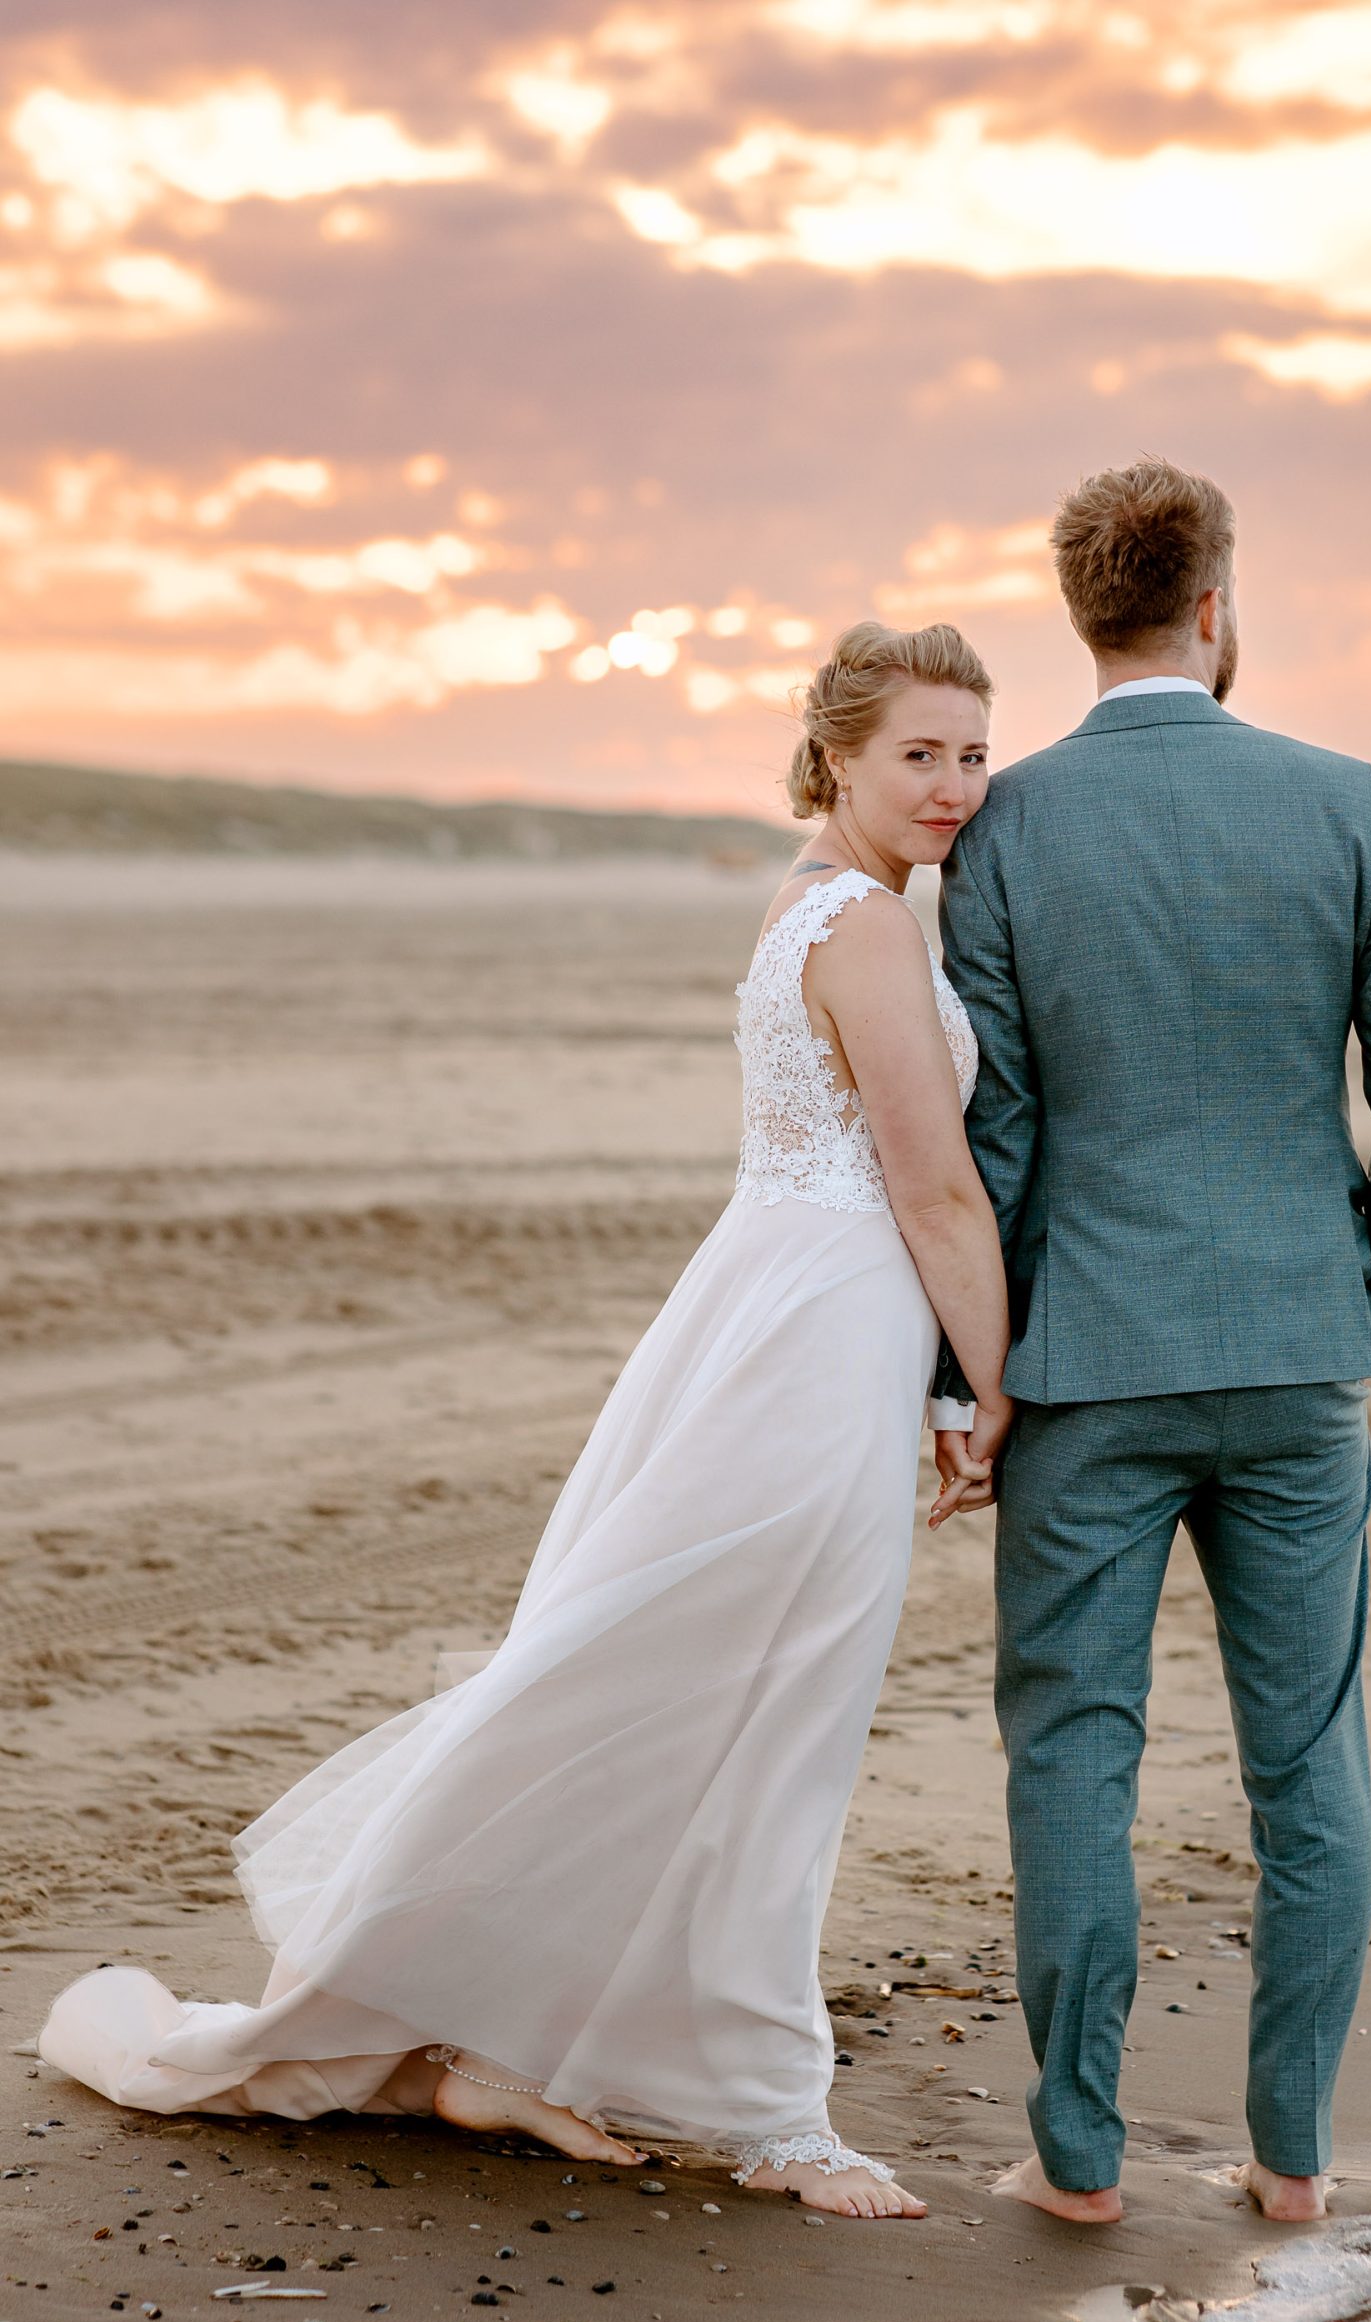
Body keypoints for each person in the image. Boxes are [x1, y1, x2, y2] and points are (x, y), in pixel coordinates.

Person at [38, 619, 1011, 2223]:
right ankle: (771, 2111)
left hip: (773, 1312)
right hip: (816, 1334)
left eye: (975, 753)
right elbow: (931, 1187)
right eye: (921, 752)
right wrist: (993, 1386)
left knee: (675, 1681)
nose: (956, 786)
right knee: (769, 1712)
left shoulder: (810, 905)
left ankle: (501, 2050)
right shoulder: (870, 931)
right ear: (836, 753)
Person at [930, 458, 1371, 2226]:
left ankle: (1077, 2160)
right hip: (1298, 1356)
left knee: (1073, 1744)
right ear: (1217, 601)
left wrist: (973, 1375)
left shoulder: (1007, 822)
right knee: (1310, 1755)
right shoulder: (1338, 797)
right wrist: (1365, 1289)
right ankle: (1291, 2158)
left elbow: (994, 1137)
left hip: (1085, 1364)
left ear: (1083, 615)